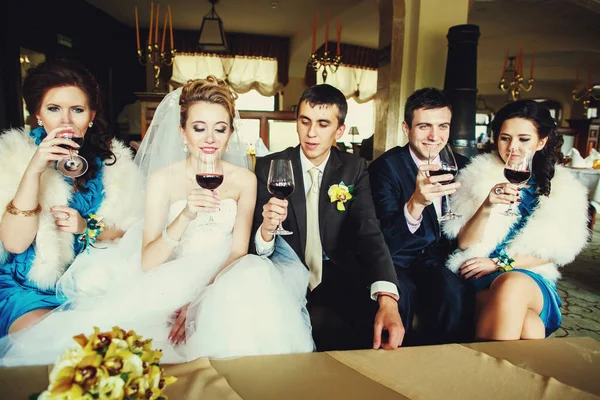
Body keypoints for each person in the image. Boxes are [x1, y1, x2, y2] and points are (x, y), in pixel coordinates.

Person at [0, 76, 314, 366]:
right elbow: (149, 261)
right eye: (198, 127)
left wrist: (202, 300)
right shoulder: (162, 180)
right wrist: (185, 215)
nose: (210, 139)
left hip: (224, 278)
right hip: (169, 277)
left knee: (247, 303)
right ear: (182, 131)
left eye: (220, 128)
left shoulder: (244, 180)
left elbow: (237, 253)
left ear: (230, 132)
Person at [253, 84, 405, 351]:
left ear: (339, 130)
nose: (311, 133)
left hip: (337, 272)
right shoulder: (270, 166)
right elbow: (256, 246)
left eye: (323, 124)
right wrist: (266, 229)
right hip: (284, 274)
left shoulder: (353, 167)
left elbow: (368, 232)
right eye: (305, 121)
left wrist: (387, 297)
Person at [0, 59, 142, 337]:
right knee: (53, 340)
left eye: (77, 110)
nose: (65, 121)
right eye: (54, 109)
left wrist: (85, 226)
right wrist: (34, 169)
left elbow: (128, 232)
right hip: (28, 287)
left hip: (93, 285)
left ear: (91, 116)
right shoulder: (12, 158)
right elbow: (14, 244)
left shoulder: (115, 165)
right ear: (38, 114)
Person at [443, 100, 588, 340]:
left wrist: (501, 264)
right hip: (481, 277)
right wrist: (487, 205)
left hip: (530, 276)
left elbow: (558, 250)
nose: (513, 148)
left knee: (512, 284)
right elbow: (465, 244)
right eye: (505, 138)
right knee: (530, 328)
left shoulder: (565, 188)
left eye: (523, 139)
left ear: (541, 141)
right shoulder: (476, 175)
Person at [368, 87, 472, 345]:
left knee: (453, 293)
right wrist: (416, 203)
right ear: (406, 128)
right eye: (424, 126)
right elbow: (385, 238)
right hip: (398, 259)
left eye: (443, 126)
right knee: (401, 296)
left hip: (439, 258)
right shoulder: (384, 168)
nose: (435, 136)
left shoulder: (462, 166)